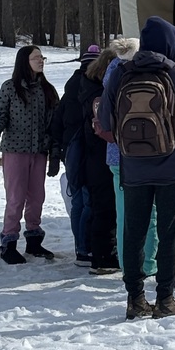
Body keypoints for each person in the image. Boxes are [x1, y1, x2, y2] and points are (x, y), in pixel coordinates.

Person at [98, 17, 175, 320]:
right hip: (172, 167)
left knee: (133, 233)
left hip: (134, 167)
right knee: (169, 234)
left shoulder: (120, 72)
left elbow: (105, 121)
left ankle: (135, 300)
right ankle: (166, 299)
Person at [0, 45, 59, 264]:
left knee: (37, 198)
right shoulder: (10, 88)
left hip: (39, 152)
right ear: (24, 61)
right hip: (15, 150)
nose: (41, 61)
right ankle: (9, 243)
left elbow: (54, 126)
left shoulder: (48, 90)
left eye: (42, 57)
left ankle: (34, 241)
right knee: (15, 198)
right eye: (36, 58)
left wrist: (54, 155)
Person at [102, 38, 159, 279]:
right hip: (148, 152)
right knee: (151, 211)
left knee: (123, 211)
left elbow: (104, 121)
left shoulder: (111, 76)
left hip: (117, 154)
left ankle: (129, 265)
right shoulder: (148, 76)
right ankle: (149, 262)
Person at [49, 45, 100, 265]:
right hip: (87, 149)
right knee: (89, 200)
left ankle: (80, 248)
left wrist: (56, 152)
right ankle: (86, 248)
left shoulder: (70, 87)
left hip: (70, 150)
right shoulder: (93, 86)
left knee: (78, 200)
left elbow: (57, 122)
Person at [79, 48, 119, 274]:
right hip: (102, 154)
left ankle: (96, 252)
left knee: (97, 207)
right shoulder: (101, 93)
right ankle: (104, 257)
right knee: (106, 208)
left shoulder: (87, 87)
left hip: (92, 155)